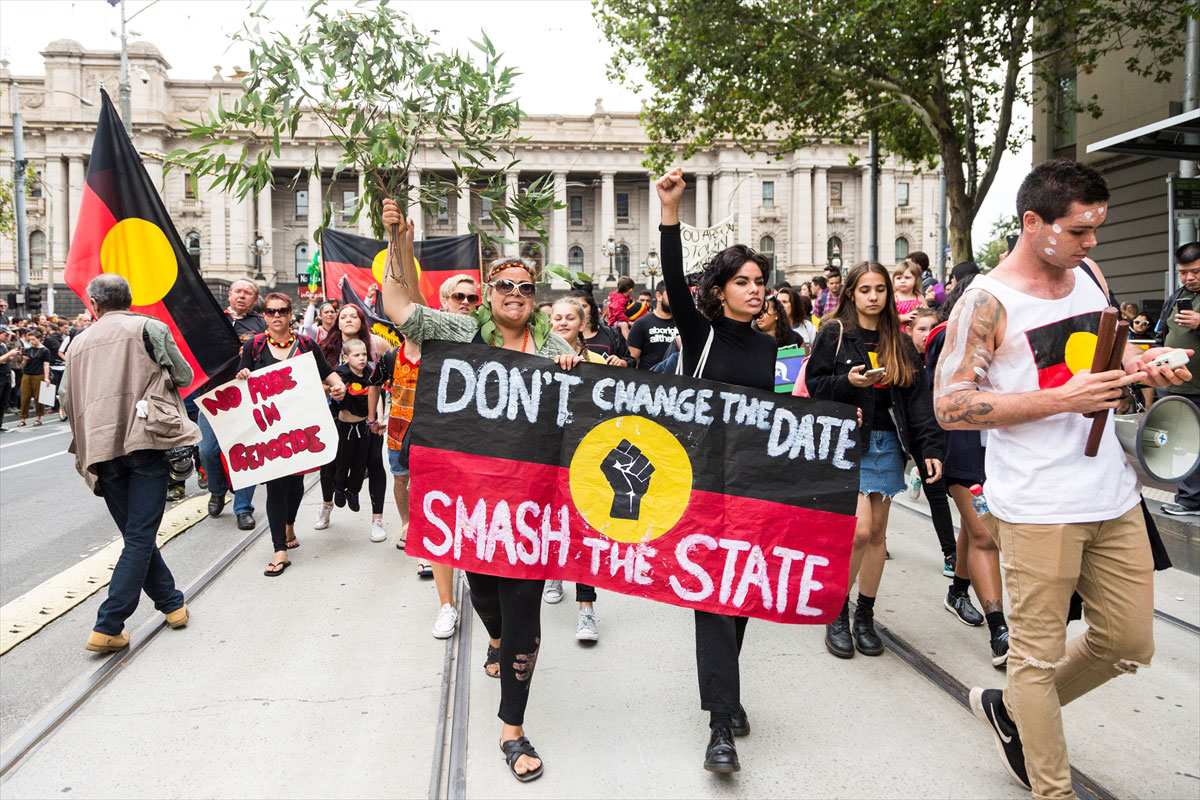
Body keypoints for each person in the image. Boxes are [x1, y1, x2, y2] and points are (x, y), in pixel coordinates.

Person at [933, 160, 1191, 798]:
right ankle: (1053, 787)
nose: (1092, 242)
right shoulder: (986, 302)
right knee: (1036, 661)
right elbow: (950, 405)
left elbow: (1109, 355)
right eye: (1080, 230)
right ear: (1033, 223)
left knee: (1127, 643)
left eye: (1097, 229)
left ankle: (1014, 710)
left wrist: (1146, 365)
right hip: (1037, 505)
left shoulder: (1089, 277)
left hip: (1112, 494)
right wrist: (1061, 401)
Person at [381, 196, 577, 783]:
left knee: (525, 613)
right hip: (472, 501)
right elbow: (398, 306)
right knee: (486, 594)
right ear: (490, 295)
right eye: (503, 286)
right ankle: (493, 635)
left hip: (531, 506)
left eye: (524, 287)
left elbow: (587, 416)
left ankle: (512, 729)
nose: (514, 293)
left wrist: (578, 373)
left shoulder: (557, 350)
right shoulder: (460, 330)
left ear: (534, 297)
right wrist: (398, 243)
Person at [658, 167, 776, 774]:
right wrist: (670, 210)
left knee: (743, 596)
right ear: (721, 290)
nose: (755, 290)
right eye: (743, 282)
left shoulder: (769, 346)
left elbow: (782, 412)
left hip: (753, 487)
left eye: (760, 281)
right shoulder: (699, 334)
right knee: (713, 597)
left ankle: (725, 694)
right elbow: (675, 280)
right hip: (704, 486)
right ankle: (719, 724)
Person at [806, 261, 944, 663]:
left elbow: (919, 402)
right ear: (850, 293)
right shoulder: (833, 333)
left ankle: (864, 616)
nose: (873, 297)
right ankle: (836, 611)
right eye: (864, 289)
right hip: (848, 443)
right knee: (859, 532)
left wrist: (929, 449)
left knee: (879, 535)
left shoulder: (899, 342)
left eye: (880, 290)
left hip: (888, 444)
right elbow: (814, 387)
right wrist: (847, 384)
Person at [63, 274, 198, 653]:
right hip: (144, 440)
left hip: (101, 448)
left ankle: (172, 604)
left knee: (136, 536)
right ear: (130, 299)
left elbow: (64, 401)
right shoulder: (148, 327)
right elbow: (184, 375)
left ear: (93, 303)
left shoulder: (76, 344)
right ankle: (108, 623)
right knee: (140, 536)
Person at [924, 274, 1010, 667]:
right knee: (983, 535)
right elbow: (935, 396)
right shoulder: (948, 336)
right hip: (962, 453)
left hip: (1002, 451)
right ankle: (1000, 629)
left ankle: (958, 590)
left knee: (975, 530)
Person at [236, 293, 345, 578]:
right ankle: (279, 550)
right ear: (264, 315)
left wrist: (339, 385)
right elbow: (241, 378)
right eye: (270, 311)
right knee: (275, 485)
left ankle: (289, 524)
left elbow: (327, 372)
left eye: (282, 311)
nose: (276, 316)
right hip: (269, 429)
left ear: (289, 313)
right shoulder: (255, 346)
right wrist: (244, 374)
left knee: (295, 483)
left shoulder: (307, 344)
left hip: (301, 426)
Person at [313, 303, 390, 541]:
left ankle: (377, 519)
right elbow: (316, 383)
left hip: (369, 417)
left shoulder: (378, 344)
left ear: (362, 320)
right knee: (331, 465)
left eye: (353, 316)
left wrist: (377, 417)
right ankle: (327, 506)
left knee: (375, 462)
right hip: (335, 418)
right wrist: (331, 390)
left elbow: (384, 380)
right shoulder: (325, 347)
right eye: (342, 316)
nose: (347, 319)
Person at [197, 279, 264, 530]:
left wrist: (250, 355)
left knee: (244, 453)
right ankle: (216, 490)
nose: (242, 296)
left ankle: (243, 508)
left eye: (248, 293)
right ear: (229, 295)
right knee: (207, 451)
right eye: (238, 291)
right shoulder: (213, 321)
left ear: (255, 300)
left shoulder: (260, 324)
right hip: (212, 397)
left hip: (246, 399)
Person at [1152, 240, 1200, 516]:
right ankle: (1189, 500)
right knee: (1183, 443)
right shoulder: (1176, 296)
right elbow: (1161, 331)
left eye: (1195, 271)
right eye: (1183, 272)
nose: (1189, 277)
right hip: (1176, 384)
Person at [326, 338, 382, 519]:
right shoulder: (342, 373)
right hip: (345, 428)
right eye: (356, 355)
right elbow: (334, 385)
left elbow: (377, 393)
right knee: (343, 462)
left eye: (364, 354)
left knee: (360, 464)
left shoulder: (370, 373)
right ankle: (340, 489)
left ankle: (354, 491)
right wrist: (336, 389)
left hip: (363, 426)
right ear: (346, 357)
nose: (361, 358)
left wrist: (378, 418)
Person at [573, 288, 634, 367]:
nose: (580, 311)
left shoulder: (612, 334)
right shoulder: (562, 336)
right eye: (576, 307)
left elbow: (631, 361)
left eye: (584, 306)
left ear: (591, 308)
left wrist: (621, 362)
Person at [626, 283, 677, 370]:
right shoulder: (641, 324)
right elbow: (632, 360)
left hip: (678, 381)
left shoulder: (684, 324)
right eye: (670, 293)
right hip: (650, 380)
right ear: (658, 296)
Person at [17, 330, 51, 426]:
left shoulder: (45, 350)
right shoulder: (27, 350)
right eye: (30, 340)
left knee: (38, 397)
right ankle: (23, 418)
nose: (31, 342)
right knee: (25, 397)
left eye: (33, 339)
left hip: (38, 374)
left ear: (39, 339)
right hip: (27, 374)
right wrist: (24, 360)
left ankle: (38, 417)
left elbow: (46, 365)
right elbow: (22, 366)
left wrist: (46, 377)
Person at [893, 260, 924, 331]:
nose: (902, 281)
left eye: (907, 278)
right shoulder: (893, 298)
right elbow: (888, 318)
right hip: (898, 334)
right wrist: (905, 317)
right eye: (898, 278)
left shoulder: (919, 297)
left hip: (915, 333)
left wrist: (921, 311)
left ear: (916, 280)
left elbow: (927, 315)